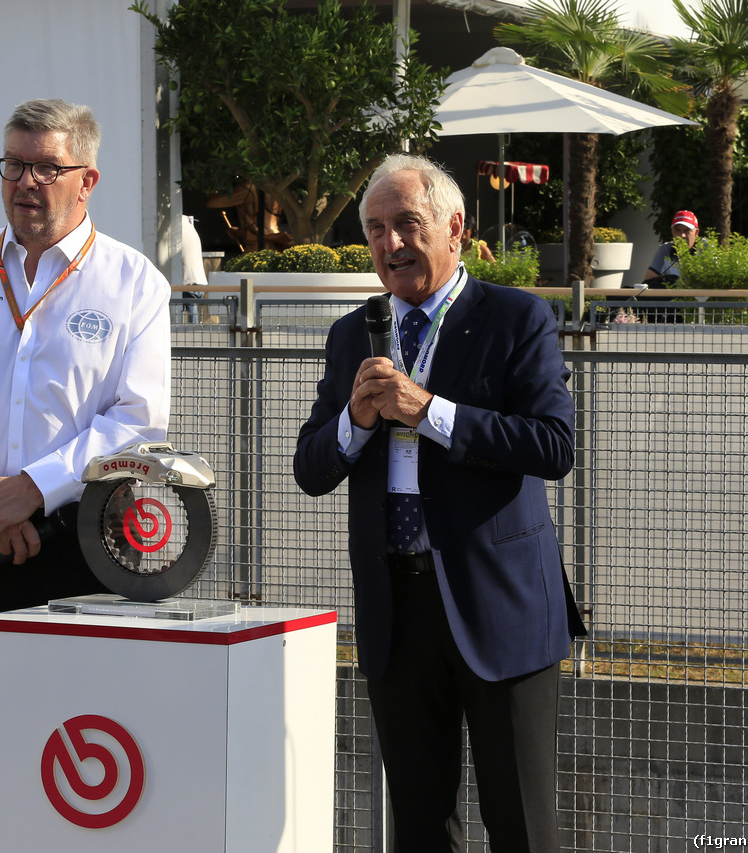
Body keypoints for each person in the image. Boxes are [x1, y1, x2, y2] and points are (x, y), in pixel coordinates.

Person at [0, 99, 171, 852]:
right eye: (15, 162)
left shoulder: (132, 283)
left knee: (91, 744)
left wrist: (34, 488)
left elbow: (138, 418)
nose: (27, 181)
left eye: (48, 166)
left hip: (85, 543)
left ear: (88, 179)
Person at [293, 153, 584, 853]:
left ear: (455, 227)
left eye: (405, 224)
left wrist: (430, 412)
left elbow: (553, 445)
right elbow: (309, 468)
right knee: (419, 827)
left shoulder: (517, 318)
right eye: (374, 230)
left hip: (500, 604)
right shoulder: (351, 334)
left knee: (520, 825)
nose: (390, 244)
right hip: (397, 607)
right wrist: (355, 423)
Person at [643, 209, 699, 284]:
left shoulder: (707, 249)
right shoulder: (665, 249)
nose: (682, 235)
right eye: (677, 230)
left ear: (696, 233)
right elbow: (648, 282)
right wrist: (673, 281)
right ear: (672, 231)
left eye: (687, 230)